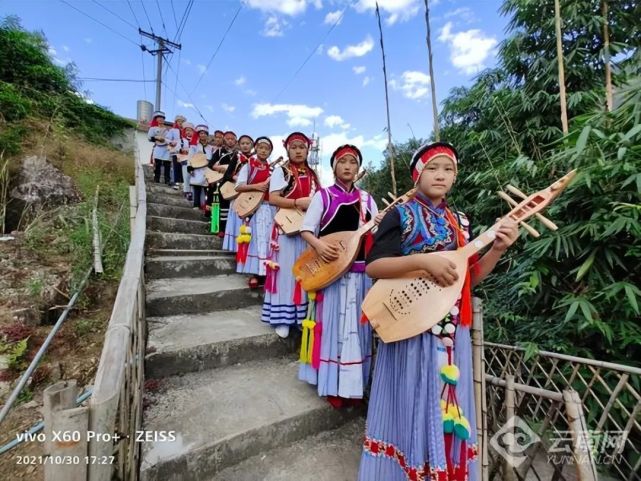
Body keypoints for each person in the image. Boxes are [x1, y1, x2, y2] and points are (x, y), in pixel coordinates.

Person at [357, 142, 518, 481]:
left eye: (449, 169)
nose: (441, 175)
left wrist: (498, 250)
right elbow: (375, 267)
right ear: (417, 173)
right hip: (410, 327)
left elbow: (467, 277)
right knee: (410, 404)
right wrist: (423, 261)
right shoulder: (399, 214)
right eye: (434, 168)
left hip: (452, 330)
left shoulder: (460, 221)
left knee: (449, 406)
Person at [298, 144, 382, 408]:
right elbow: (306, 230)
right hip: (331, 274)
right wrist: (320, 245)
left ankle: (355, 385)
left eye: (353, 163)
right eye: (342, 162)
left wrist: (377, 229)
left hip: (360, 274)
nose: (348, 167)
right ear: (334, 166)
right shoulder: (323, 196)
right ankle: (332, 384)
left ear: (358, 168)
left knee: (358, 330)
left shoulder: (368, 200)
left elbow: (377, 235)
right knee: (333, 328)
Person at [261, 132, 320, 338]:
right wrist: (296, 202)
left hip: (307, 230)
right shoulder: (282, 171)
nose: (297, 150)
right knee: (285, 273)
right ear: (287, 149)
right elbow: (273, 198)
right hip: (285, 228)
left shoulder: (313, 175)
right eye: (293, 147)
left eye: (301, 147)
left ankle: (301, 316)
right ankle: (281, 318)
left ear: (307, 150)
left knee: (304, 272)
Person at [234, 136, 277, 288]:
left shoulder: (274, 169)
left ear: (270, 151)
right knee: (255, 240)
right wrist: (257, 187)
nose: (264, 151)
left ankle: (266, 273)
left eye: (267, 148)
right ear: (256, 148)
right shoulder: (248, 165)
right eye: (261, 148)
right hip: (253, 208)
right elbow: (238, 186)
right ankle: (254, 273)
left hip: (270, 208)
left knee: (268, 241)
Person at [188, 124, 213, 210]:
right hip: (196, 169)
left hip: (207, 169)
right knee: (197, 187)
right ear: (198, 134)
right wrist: (190, 166)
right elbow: (190, 156)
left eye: (204, 133)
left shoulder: (210, 147)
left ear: (207, 135)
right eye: (201, 133)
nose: (203, 135)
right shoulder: (194, 146)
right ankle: (196, 205)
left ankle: (206, 206)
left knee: (207, 189)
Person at [147, 111, 171, 184]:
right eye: (159, 118)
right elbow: (149, 138)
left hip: (167, 148)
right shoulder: (153, 128)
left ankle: (167, 180)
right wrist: (157, 138)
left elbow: (171, 139)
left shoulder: (168, 129)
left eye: (162, 118)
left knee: (167, 165)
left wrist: (165, 140)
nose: (161, 119)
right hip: (158, 147)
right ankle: (156, 179)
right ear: (156, 119)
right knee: (158, 164)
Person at [167, 114, 186, 190]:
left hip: (185, 153)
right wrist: (172, 142)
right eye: (179, 121)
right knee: (176, 167)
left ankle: (183, 183)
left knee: (184, 168)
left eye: (182, 121)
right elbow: (167, 139)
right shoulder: (172, 130)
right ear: (176, 122)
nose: (180, 123)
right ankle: (176, 183)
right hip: (176, 151)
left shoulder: (185, 131)